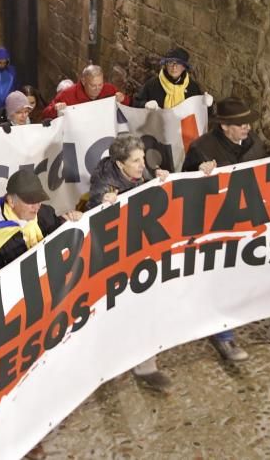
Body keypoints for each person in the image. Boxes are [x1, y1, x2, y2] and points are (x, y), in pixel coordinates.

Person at [182, 97, 270, 362]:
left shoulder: (254, 143)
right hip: (216, 226)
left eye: (247, 123)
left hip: (249, 223)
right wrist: (198, 173)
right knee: (220, 278)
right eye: (241, 124)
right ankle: (224, 336)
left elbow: (266, 162)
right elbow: (183, 186)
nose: (247, 127)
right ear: (224, 126)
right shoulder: (202, 148)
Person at [85, 133, 172, 390]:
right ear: (120, 164)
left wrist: (161, 181)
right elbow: (93, 218)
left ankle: (146, 364)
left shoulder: (141, 174)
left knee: (145, 306)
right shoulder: (104, 187)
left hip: (140, 251)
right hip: (114, 259)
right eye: (136, 161)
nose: (142, 164)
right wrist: (101, 207)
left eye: (142, 158)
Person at [0, 169, 81, 282]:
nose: (37, 206)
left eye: (39, 199)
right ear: (11, 201)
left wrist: (69, 220)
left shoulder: (44, 212)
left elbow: (56, 229)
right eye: (30, 201)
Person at [41, 65, 130, 120]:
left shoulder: (109, 89)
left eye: (100, 84)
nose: (97, 89)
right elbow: (45, 114)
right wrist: (55, 109)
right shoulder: (67, 94)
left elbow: (128, 105)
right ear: (83, 82)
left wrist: (123, 99)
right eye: (93, 85)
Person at [132, 47, 204, 109]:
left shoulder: (193, 88)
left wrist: (205, 102)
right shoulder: (152, 84)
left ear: (184, 67)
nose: (174, 67)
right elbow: (135, 103)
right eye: (170, 63)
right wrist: (145, 104)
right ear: (166, 65)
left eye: (178, 63)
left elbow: (199, 111)